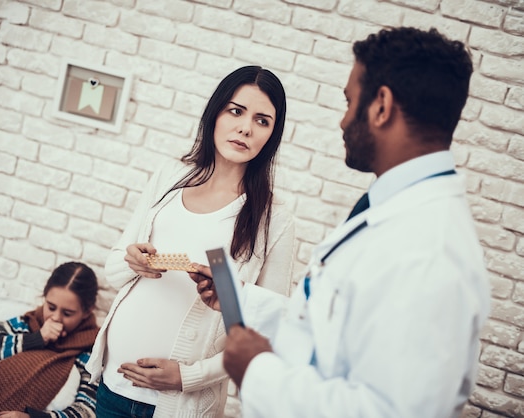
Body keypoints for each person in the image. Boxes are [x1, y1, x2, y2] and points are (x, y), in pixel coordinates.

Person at [190, 27, 491, 417]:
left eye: (349, 102)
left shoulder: (430, 250)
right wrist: (242, 300)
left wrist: (258, 371)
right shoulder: (392, 208)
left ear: (381, 106)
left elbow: (392, 411)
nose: (343, 121)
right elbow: (335, 334)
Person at [85, 65, 296, 417]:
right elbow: (114, 266)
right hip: (113, 385)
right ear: (215, 113)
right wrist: (131, 260)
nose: (245, 127)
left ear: (271, 135)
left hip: (179, 406)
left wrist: (188, 376)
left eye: (262, 120)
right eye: (236, 111)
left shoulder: (274, 217)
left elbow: (268, 332)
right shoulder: (170, 176)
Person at [0, 262, 100, 418]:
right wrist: (37, 338)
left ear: (87, 312)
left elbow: (87, 410)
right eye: (51, 307)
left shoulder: (91, 352)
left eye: (67, 313)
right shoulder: (26, 325)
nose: (56, 317)